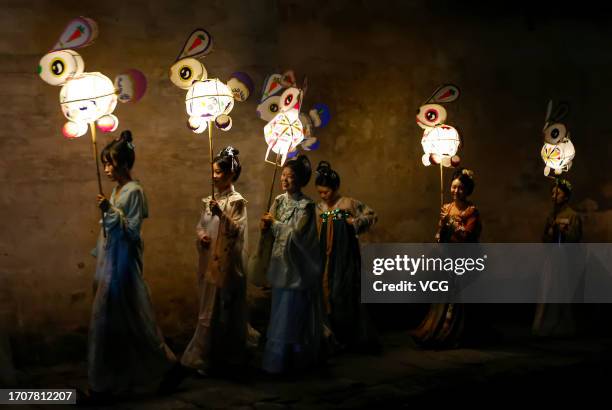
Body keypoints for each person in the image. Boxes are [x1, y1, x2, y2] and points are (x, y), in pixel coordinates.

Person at [86, 130, 180, 402]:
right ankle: (110, 381)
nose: (106, 169)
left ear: (124, 164)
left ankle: (166, 366)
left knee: (132, 319)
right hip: (110, 262)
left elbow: (132, 231)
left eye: (110, 163)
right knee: (111, 321)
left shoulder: (135, 191)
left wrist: (109, 212)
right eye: (104, 163)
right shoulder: (116, 191)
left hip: (124, 265)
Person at [181, 147, 250, 375]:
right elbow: (201, 224)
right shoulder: (210, 201)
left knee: (223, 308)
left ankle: (224, 356)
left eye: (218, 172)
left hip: (226, 264)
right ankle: (205, 355)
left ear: (230, 174)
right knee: (207, 307)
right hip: (209, 260)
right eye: (213, 171)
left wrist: (221, 213)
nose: (213, 176)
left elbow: (237, 231)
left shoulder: (237, 202)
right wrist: (201, 236)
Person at [259, 155, 323, 374]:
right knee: (278, 311)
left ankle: (291, 361)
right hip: (280, 263)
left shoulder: (306, 206)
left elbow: (298, 237)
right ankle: (276, 360)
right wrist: (266, 228)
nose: (285, 180)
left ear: (301, 180)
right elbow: (272, 234)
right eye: (284, 175)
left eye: (291, 176)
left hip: (296, 268)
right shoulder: (278, 201)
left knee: (291, 313)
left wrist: (275, 225)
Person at [411, 168, 481, 348]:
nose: (456, 191)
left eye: (460, 188)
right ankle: (437, 328)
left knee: (458, 297)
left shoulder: (472, 211)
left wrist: (451, 222)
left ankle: (456, 332)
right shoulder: (446, 208)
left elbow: (467, 235)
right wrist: (440, 231)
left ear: (467, 190)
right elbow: (440, 234)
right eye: (453, 187)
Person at [314, 161, 380, 352]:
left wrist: (354, 222)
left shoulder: (349, 203)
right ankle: (331, 337)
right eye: (320, 192)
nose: (323, 196)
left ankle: (350, 337)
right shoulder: (319, 208)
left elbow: (372, 215)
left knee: (344, 293)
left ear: (335, 189)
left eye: (326, 192)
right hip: (325, 258)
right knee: (327, 295)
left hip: (345, 257)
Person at [533, 178, 582, 337]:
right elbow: (544, 237)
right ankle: (544, 326)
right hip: (551, 258)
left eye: (558, 193)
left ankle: (563, 327)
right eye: (552, 193)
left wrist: (562, 231)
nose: (554, 196)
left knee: (563, 290)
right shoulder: (551, 215)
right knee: (547, 289)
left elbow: (575, 238)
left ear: (566, 196)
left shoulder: (573, 215)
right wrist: (550, 231)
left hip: (565, 259)